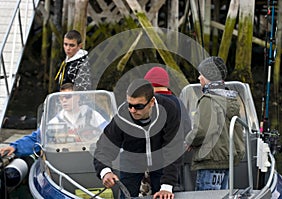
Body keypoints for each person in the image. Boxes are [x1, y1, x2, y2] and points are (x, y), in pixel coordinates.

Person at [93, 79, 183, 199]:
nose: (132, 110)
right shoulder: (122, 116)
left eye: (138, 106)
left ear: (151, 101)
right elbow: (104, 147)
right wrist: (105, 172)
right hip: (131, 160)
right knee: (127, 195)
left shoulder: (169, 109)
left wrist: (166, 186)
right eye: (129, 104)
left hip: (161, 160)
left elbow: (173, 147)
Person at [184, 56, 245, 191]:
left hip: (211, 160)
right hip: (225, 161)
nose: (199, 78)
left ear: (208, 77)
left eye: (201, 75)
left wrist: (189, 141)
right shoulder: (230, 99)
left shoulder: (208, 100)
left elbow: (202, 130)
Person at [0, 83, 107, 157]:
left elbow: (109, 132)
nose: (64, 100)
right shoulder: (55, 121)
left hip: (89, 157)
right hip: (65, 159)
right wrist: (15, 147)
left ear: (78, 97)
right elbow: (38, 138)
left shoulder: (92, 114)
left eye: (68, 97)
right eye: (61, 98)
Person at [144, 66, 192, 192]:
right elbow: (187, 129)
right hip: (176, 161)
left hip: (155, 162)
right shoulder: (178, 103)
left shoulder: (151, 104)